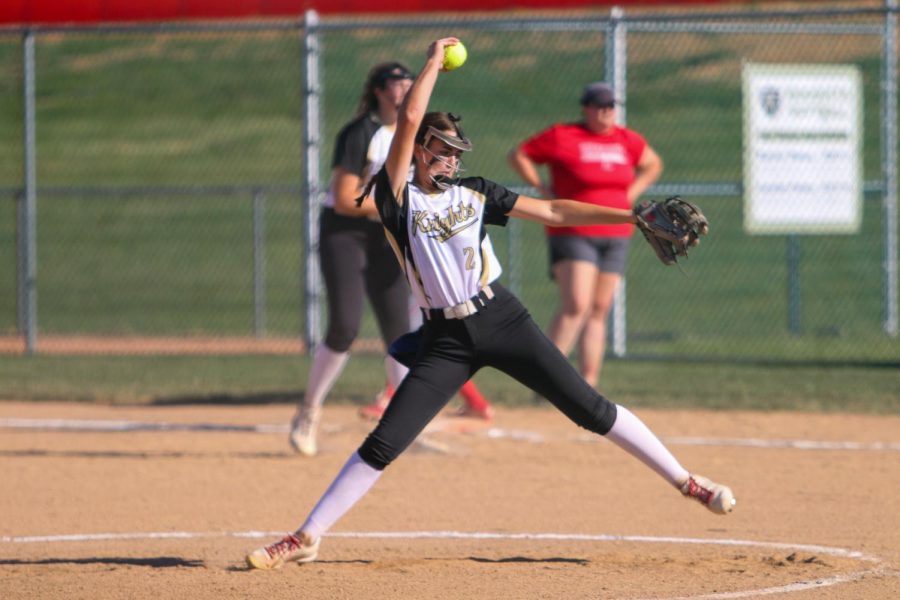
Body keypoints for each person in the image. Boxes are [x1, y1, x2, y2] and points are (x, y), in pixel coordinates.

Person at [248, 38, 734, 569]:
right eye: (442, 149)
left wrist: (629, 217)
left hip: (502, 318)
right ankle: (307, 535)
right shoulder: (396, 197)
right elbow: (409, 118)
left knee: (590, 409)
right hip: (445, 341)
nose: (453, 160)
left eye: (457, 152)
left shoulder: (475, 192)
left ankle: (688, 482)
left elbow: (550, 211)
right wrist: (434, 60)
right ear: (418, 150)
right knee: (386, 442)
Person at [290, 62, 493, 457]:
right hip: (345, 233)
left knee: (402, 335)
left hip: (387, 237)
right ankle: (308, 413)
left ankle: (406, 429)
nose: (403, 90)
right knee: (345, 327)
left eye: (407, 83)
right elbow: (348, 196)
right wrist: (395, 206)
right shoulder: (361, 132)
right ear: (379, 91)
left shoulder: (414, 136)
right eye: (395, 84)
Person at [508, 83, 663, 388]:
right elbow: (519, 155)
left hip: (616, 231)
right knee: (576, 304)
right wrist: (542, 189)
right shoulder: (563, 136)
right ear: (586, 108)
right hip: (574, 230)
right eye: (600, 106)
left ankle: (587, 384)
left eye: (611, 106)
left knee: (599, 308)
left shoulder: (625, 140)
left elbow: (652, 163)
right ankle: (548, 380)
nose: (606, 112)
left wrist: (629, 193)